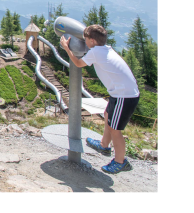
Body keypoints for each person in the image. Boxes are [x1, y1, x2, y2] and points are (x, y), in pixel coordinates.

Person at [60, 25, 140, 175]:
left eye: (85, 39)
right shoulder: (105, 49)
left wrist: (66, 48)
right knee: (107, 114)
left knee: (115, 130)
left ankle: (120, 161)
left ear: (92, 40)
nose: (84, 41)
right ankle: (104, 145)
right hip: (122, 93)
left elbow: (78, 63)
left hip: (124, 96)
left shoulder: (96, 52)